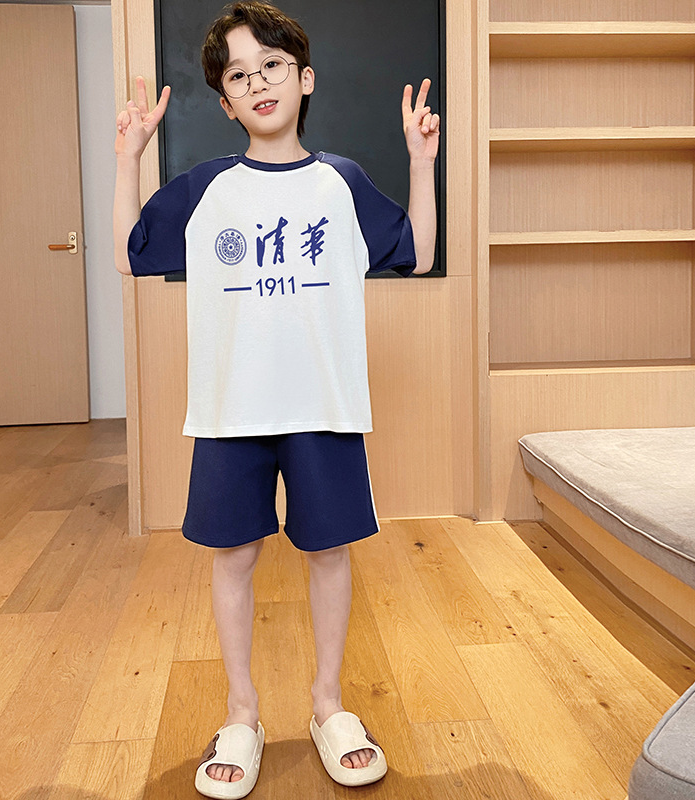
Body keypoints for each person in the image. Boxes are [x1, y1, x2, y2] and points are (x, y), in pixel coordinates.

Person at [113, 2, 439, 797]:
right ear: (225, 103)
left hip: (323, 407)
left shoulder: (341, 182)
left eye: (272, 66)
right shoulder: (206, 189)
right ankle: (243, 713)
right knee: (234, 555)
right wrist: (129, 158)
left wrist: (420, 161)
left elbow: (420, 252)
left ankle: (328, 705)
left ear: (305, 77)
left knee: (329, 553)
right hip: (232, 412)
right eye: (238, 75)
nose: (258, 82)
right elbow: (129, 256)